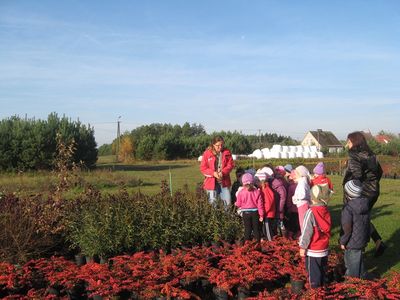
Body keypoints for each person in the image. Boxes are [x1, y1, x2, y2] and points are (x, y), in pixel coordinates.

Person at [342, 131, 385, 257]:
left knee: (355, 218)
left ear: (355, 142)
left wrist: (350, 186)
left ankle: (355, 248)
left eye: (349, 141)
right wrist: (373, 182)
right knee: (363, 218)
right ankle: (377, 242)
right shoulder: (371, 154)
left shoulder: (354, 154)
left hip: (360, 191)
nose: (347, 144)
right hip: (373, 190)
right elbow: (380, 172)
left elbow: (357, 176)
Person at [299, 184, 332, 288]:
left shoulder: (311, 213)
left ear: (312, 198)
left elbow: (306, 232)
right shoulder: (326, 211)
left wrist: (302, 246)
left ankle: (315, 293)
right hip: (323, 248)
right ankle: (322, 289)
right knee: (322, 271)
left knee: (313, 275)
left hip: (313, 250)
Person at [340, 180, 370, 278]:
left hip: (351, 242)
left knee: (351, 265)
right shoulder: (365, 205)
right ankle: (363, 277)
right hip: (362, 239)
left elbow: (347, 228)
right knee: (359, 261)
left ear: (348, 194)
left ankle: (351, 285)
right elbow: (367, 223)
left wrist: (343, 241)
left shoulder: (348, 209)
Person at [200, 135, 234, 206]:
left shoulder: (227, 152)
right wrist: (213, 173)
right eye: (218, 145)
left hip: (224, 182)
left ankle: (226, 217)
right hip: (211, 183)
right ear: (213, 145)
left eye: (221, 145)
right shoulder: (207, 153)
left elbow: (230, 165)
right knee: (213, 204)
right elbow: (203, 168)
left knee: (227, 204)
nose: (220, 147)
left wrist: (223, 172)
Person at [235, 173, 264, 242]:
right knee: (256, 229)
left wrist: (236, 204)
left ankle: (247, 245)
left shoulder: (241, 192)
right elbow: (260, 205)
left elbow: (238, 204)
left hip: (245, 213)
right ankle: (257, 245)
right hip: (255, 213)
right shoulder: (257, 192)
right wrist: (261, 215)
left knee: (247, 229)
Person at [255, 168, 276, 241]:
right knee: (266, 228)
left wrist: (263, 212)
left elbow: (269, 203)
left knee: (267, 230)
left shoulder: (266, 190)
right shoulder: (263, 189)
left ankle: (271, 243)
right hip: (267, 212)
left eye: (257, 181)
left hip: (268, 213)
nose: (255, 183)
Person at [292, 165, 311, 232]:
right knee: (303, 221)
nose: (295, 174)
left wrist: (295, 198)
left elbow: (302, 195)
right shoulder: (302, 181)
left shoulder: (302, 183)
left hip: (303, 204)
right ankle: (305, 235)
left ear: (301, 174)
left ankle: (305, 236)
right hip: (302, 204)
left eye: (296, 173)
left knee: (303, 222)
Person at [271, 166, 288, 236]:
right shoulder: (282, 181)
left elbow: (283, 196)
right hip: (279, 205)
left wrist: (280, 207)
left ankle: (282, 235)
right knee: (279, 221)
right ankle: (281, 235)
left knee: (280, 221)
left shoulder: (278, 182)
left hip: (279, 206)